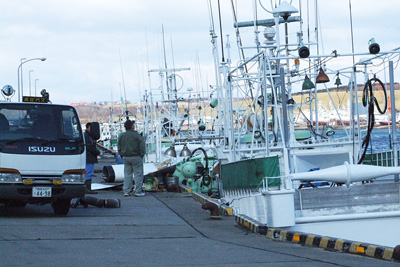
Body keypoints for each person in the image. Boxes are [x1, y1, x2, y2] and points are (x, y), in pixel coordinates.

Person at [118, 120, 146, 197]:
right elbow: (142, 147)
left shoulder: (122, 136)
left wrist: (121, 155)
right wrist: (141, 155)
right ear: (132, 126)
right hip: (136, 157)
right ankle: (138, 191)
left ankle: (126, 191)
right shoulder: (137, 135)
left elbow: (119, 147)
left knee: (127, 175)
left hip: (126, 157)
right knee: (138, 175)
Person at [84, 122, 100, 194]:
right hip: (89, 157)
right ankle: (87, 189)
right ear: (87, 128)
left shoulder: (87, 136)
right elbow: (90, 147)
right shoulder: (87, 137)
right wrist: (97, 152)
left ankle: (87, 188)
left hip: (89, 157)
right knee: (88, 173)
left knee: (88, 172)